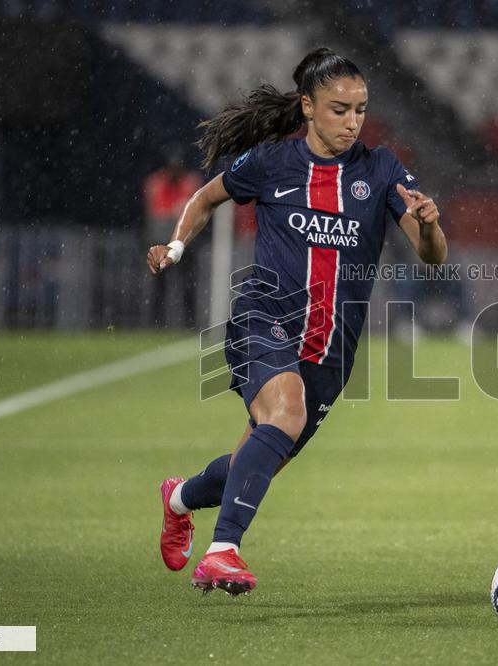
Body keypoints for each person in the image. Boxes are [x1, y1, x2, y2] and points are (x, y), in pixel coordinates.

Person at [146, 47, 447, 596]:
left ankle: (178, 499)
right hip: (264, 316)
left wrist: (428, 225)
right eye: (339, 109)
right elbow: (206, 197)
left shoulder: (380, 170)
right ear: (308, 107)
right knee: (284, 413)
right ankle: (222, 552)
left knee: (254, 461)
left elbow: (433, 256)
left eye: (360, 109)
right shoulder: (271, 163)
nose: (352, 121)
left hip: (331, 352)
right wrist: (176, 245)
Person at [143, 146, 203, 328]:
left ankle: (189, 324)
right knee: (159, 287)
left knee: (187, 286)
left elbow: (187, 211)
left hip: (183, 244)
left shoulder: (190, 182)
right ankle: (155, 324)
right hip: (161, 241)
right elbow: (159, 213)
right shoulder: (155, 182)